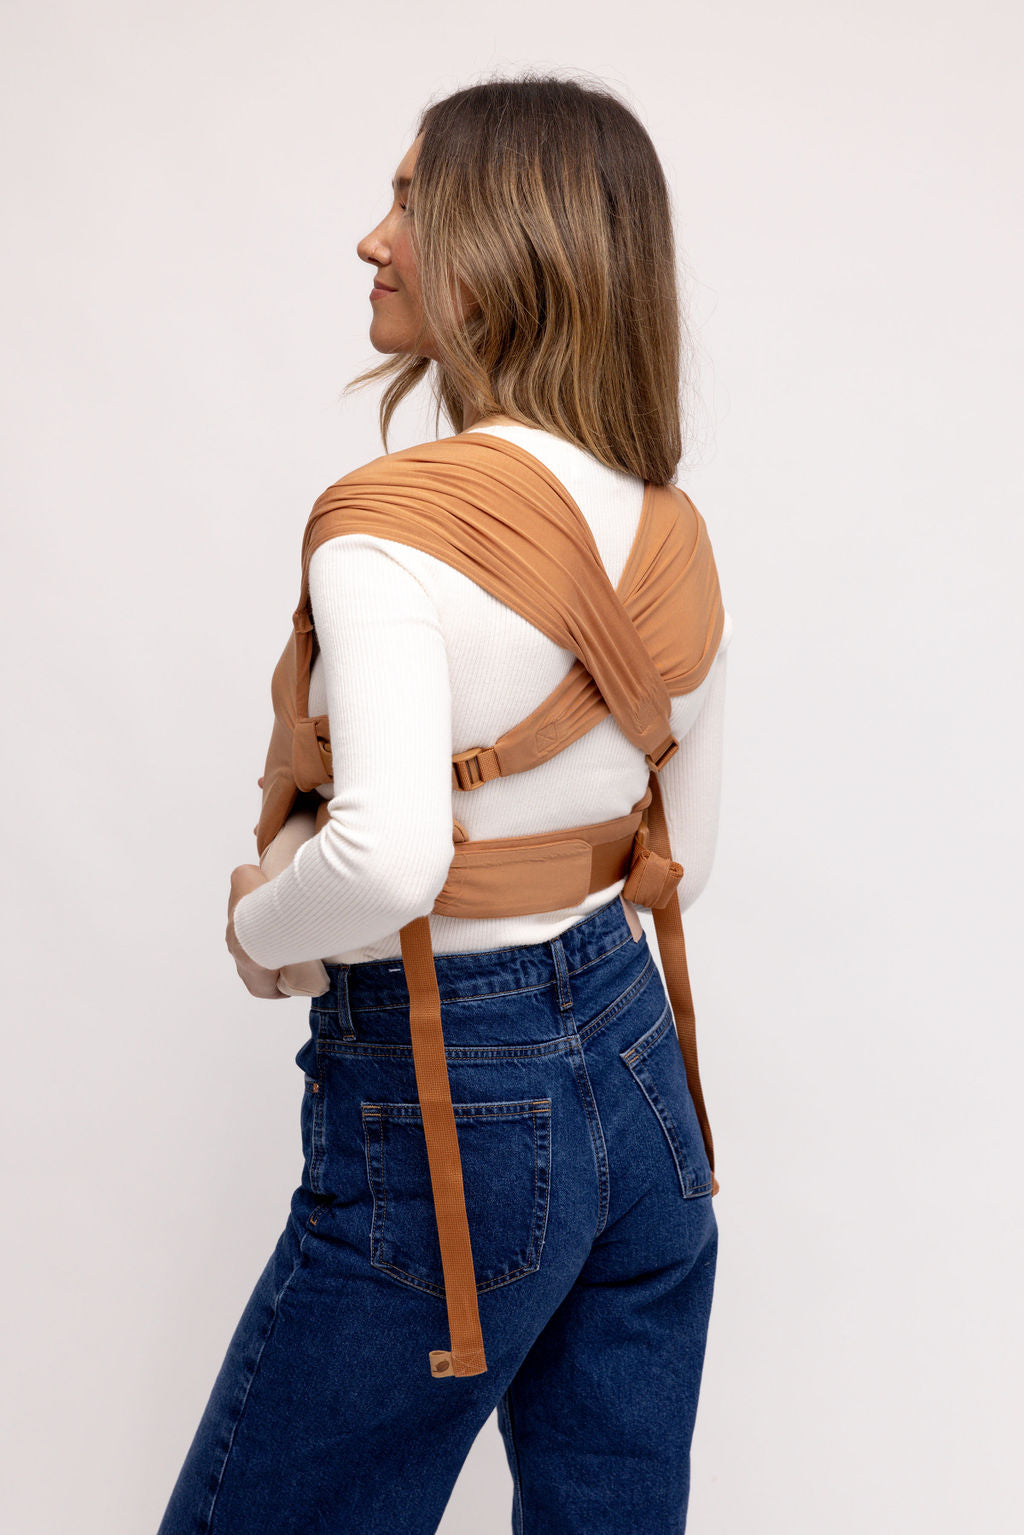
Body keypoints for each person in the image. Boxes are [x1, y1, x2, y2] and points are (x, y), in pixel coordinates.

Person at [159, 73, 732, 1535]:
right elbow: (684, 855)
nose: (373, 239)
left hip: (455, 1097)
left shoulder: (387, 533)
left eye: (410, 202)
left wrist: (261, 925)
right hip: (645, 1084)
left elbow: (391, 858)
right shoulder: (674, 530)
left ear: (502, 244)